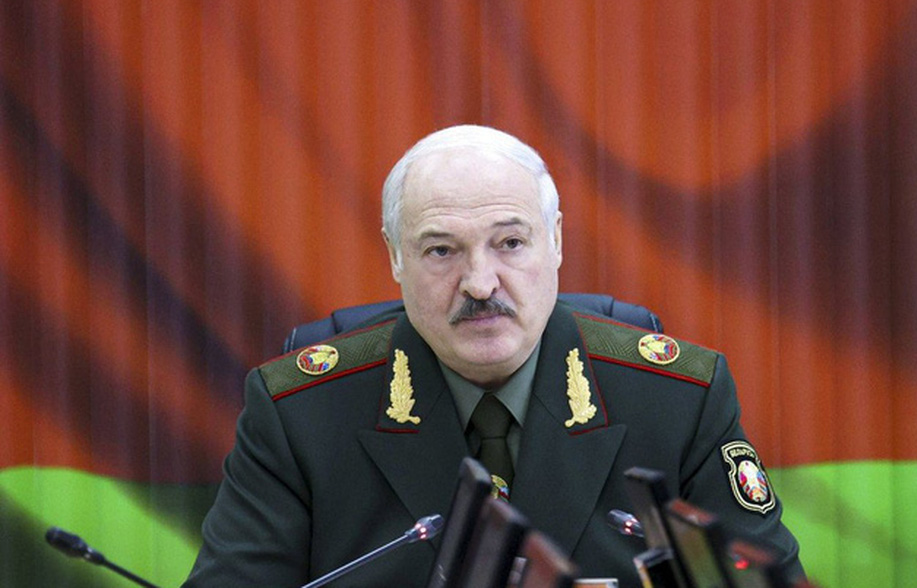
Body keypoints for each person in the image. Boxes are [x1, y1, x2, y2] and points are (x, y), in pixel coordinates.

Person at [184, 125, 804, 586]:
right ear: (395, 257)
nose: (480, 283)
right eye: (441, 251)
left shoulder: (678, 401)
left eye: (510, 242)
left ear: (555, 242)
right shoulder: (299, 416)